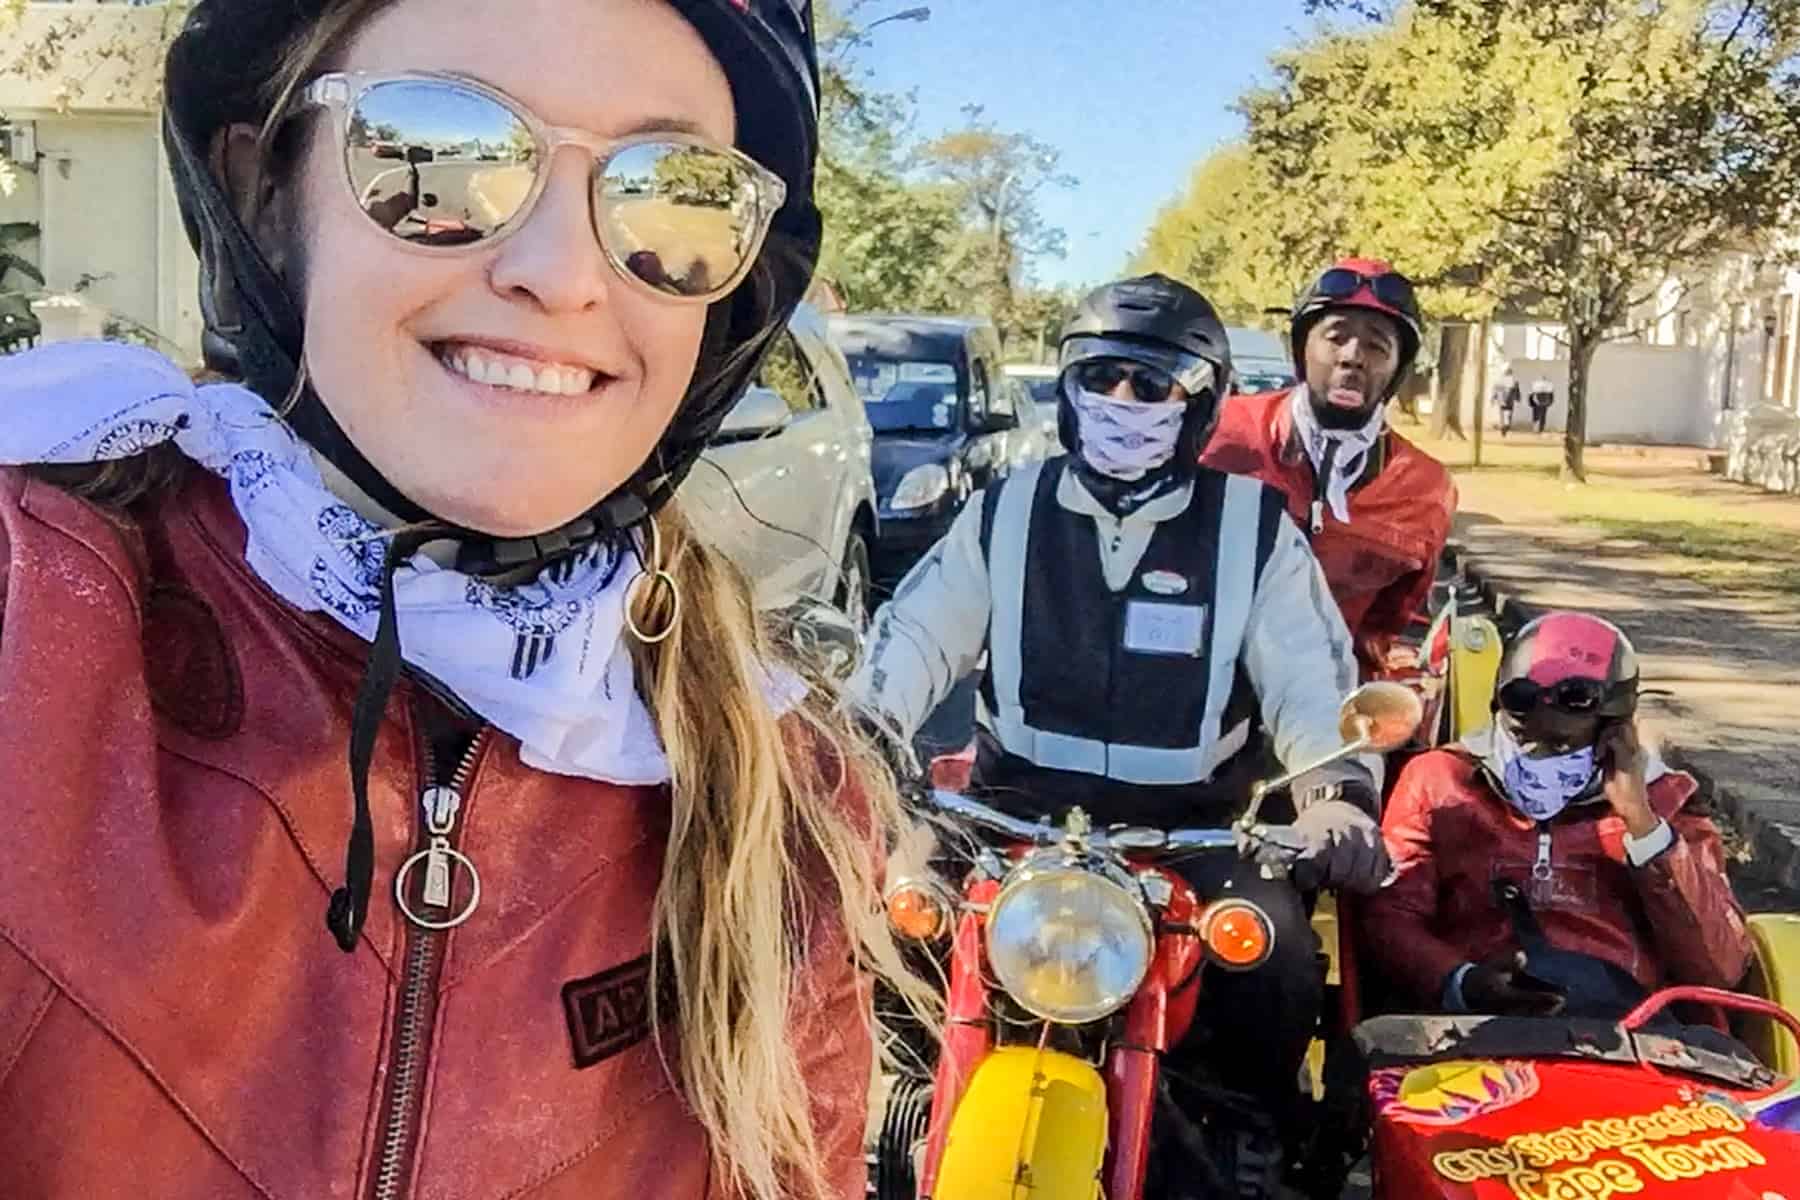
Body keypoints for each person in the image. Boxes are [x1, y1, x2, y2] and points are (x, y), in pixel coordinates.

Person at [0, 3, 923, 1198]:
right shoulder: (37, 623)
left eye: (672, 192)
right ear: (265, 189)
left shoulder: (788, 812)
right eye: (441, 147)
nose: (559, 276)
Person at [850, 272, 1388, 1155]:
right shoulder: (1001, 511)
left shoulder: (1253, 529)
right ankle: (903, 1113)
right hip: (1005, 817)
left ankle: (1241, 1142)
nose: (1121, 401)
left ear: (1203, 403)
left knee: (1277, 958)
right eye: (1100, 378)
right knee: (895, 916)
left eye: (1152, 384)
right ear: (1067, 391)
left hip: (1195, 833)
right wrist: (860, 735)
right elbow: (914, 637)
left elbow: (1308, 680)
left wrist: (1332, 793)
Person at [1359, 612, 1750, 1017]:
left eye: (1562, 744)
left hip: (1628, 1034)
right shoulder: (1439, 780)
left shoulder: (1670, 803)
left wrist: (1642, 822)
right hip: (1468, 1027)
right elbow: (1389, 918)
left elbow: (1720, 967)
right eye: (1523, 736)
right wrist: (1461, 980)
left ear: (1616, 734)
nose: (1536, 757)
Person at [1202, 259, 1457, 677]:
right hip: (1198, 696)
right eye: (1335, 338)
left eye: (1377, 346)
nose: (1353, 357)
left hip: (1326, 707)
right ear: (1300, 349)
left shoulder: (1426, 487)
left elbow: (1397, 629)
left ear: (1397, 371)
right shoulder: (1218, 432)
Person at [1493, 366, 1521, 436]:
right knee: (1508, 414)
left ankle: (1504, 426)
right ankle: (1506, 426)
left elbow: (1496, 390)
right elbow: (1517, 391)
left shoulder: (1501, 381)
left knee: (1503, 414)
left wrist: (1494, 398)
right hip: (1509, 401)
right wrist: (1518, 398)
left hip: (1503, 400)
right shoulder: (1514, 381)